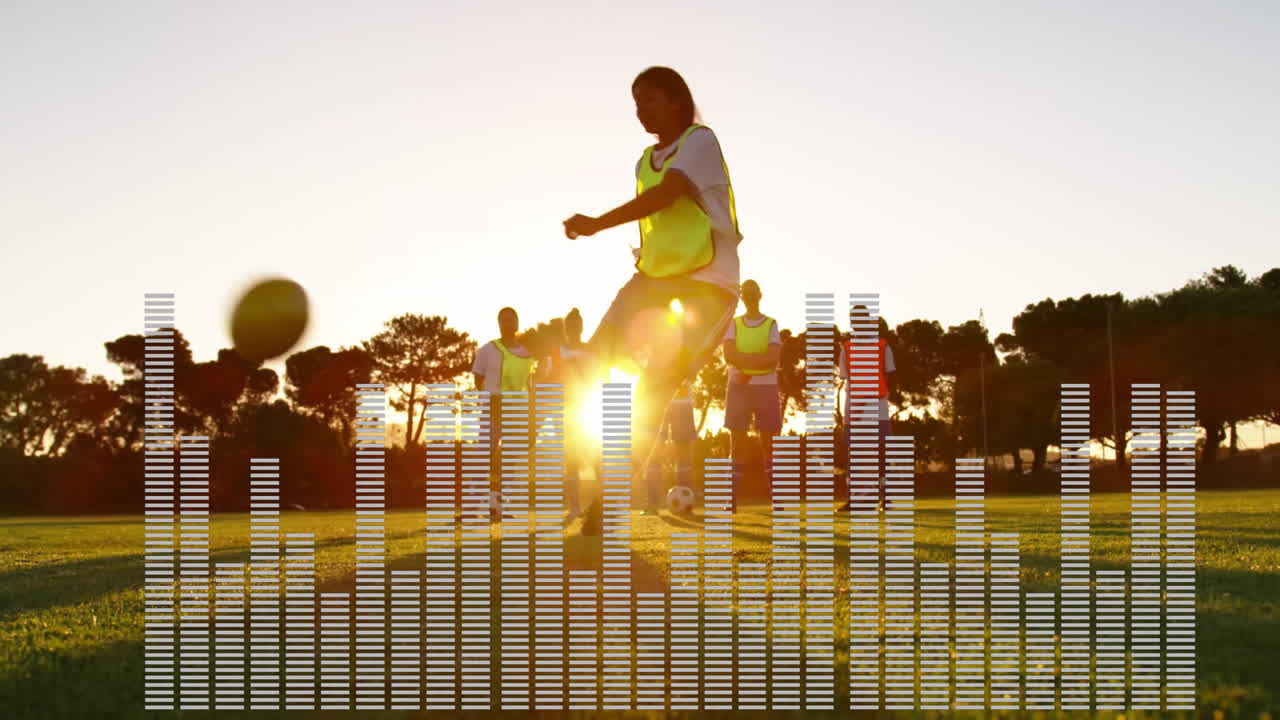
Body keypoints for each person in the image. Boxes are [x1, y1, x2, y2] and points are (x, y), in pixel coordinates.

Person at [563, 66, 742, 535]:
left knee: (657, 385)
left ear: (678, 101)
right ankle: (601, 464)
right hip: (653, 280)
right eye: (636, 102)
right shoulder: (644, 159)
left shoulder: (700, 142)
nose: (641, 110)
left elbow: (668, 195)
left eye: (651, 99)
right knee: (588, 360)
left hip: (705, 284)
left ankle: (612, 496)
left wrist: (597, 223)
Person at [721, 279, 782, 511]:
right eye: (745, 293)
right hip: (739, 388)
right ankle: (731, 500)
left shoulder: (771, 324)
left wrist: (744, 363)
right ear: (741, 297)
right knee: (737, 444)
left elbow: (773, 357)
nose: (749, 296)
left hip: (766, 388)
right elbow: (729, 354)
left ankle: (777, 500)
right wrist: (756, 363)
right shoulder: (733, 324)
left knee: (769, 444)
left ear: (760, 294)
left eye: (753, 292)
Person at [837, 305, 897, 512]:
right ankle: (855, 499)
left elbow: (889, 374)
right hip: (854, 406)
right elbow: (846, 377)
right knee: (854, 455)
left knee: (880, 452)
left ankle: (886, 498)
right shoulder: (847, 348)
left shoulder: (882, 345)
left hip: (878, 405)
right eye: (854, 319)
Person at [471, 307, 536, 484]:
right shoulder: (487, 350)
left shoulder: (526, 354)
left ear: (517, 323)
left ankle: (503, 507)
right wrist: (492, 403)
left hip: (516, 413)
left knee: (510, 461)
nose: (508, 323)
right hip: (491, 412)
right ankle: (471, 507)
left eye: (511, 320)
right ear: (499, 324)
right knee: (483, 456)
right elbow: (478, 380)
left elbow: (529, 385)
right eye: (504, 320)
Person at [538, 308, 592, 521]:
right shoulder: (556, 354)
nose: (574, 328)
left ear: (582, 326)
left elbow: (599, 375)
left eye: (577, 324)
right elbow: (546, 381)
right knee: (571, 461)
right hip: (566, 412)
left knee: (596, 459)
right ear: (566, 328)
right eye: (570, 325)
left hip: (588, 410)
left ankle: (598, 507)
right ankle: (575, 507)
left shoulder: (590, 350)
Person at [642, 380, 697, 515]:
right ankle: (654, 504)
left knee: (659, 451)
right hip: (660, 399)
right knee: (655, 451)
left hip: (672, 397)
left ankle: (656, 505)